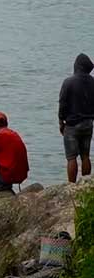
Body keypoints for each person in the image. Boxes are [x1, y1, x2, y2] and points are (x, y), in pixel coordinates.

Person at [59, 53, 94, 183]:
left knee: (71, 157)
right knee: (85, 156)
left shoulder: (68, 82)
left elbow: (62, 103)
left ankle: (71, 185)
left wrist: (61, 121)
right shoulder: (93, 82)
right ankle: (86, 183)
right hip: (88, 124)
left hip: (72, 125)